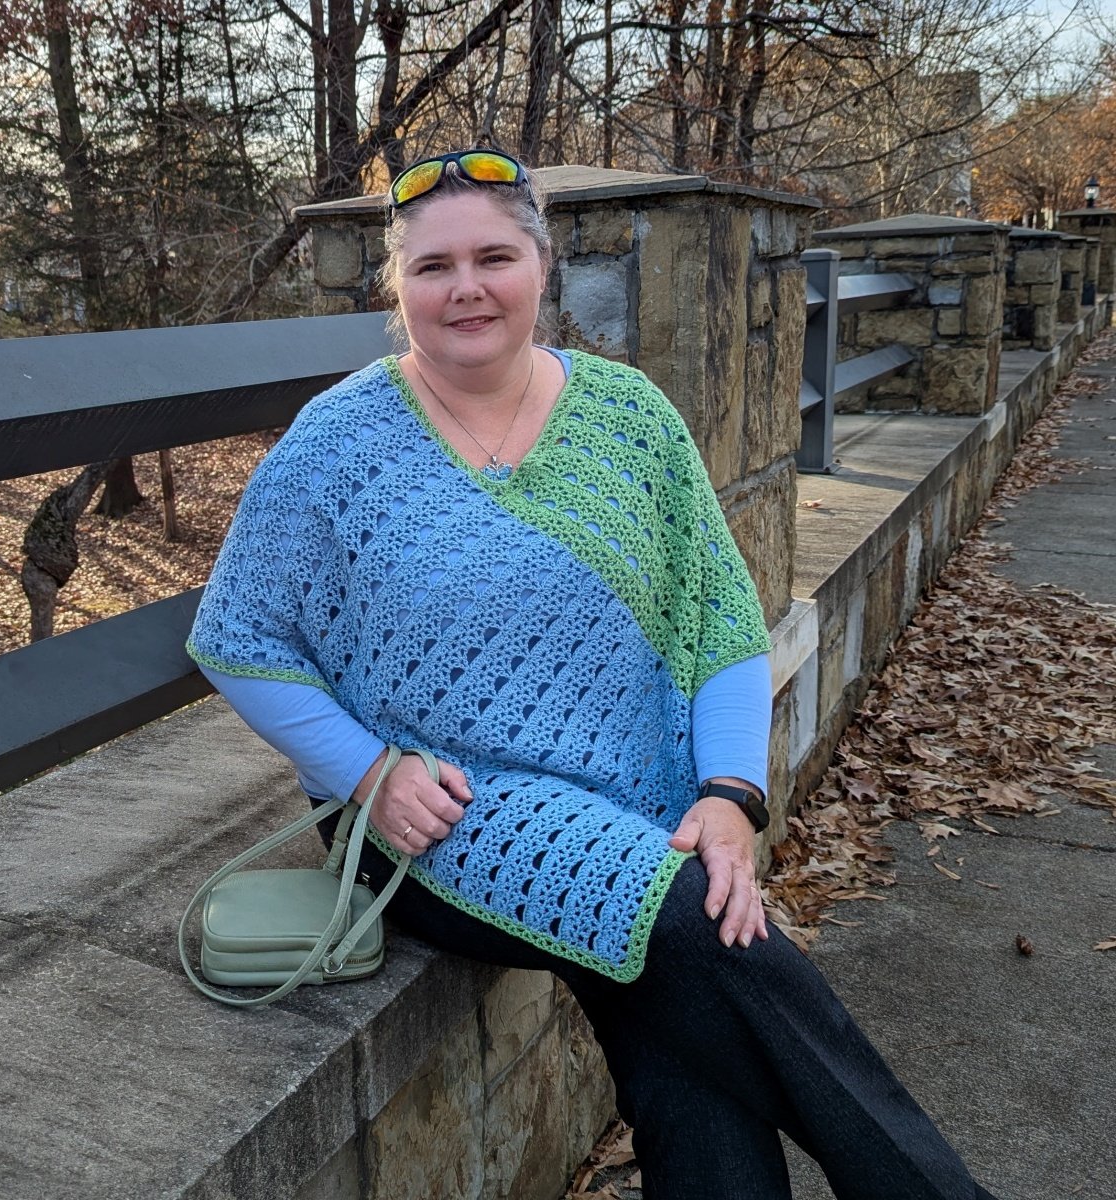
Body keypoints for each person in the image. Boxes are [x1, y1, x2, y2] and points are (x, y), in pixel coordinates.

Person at [187, 147, 1000, 1200]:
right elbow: (239, 638)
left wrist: (730, 793)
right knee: (697, 925)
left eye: (494, 257)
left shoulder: (629, 416)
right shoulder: (336, 444)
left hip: (635, 796)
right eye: (433, 266)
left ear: (542, 263)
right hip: (440, 810)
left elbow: (719, 623)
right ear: (400, 288)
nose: (466, 287)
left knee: (691, 1062)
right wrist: (367, 773)